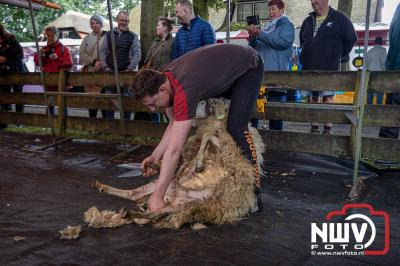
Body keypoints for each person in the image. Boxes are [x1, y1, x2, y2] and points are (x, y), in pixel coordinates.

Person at [130, 44, 264, 211]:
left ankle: (254, 194)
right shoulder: (164, 77)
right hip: (225, 66)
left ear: (162, 90)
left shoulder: (184, 90)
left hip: (249, 65)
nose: (152, 109)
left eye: (153, 103)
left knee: (236, 127)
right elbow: (173, 124)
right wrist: (155, 155)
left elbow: (174, 150)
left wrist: (158, 196)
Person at [299, 0, 357, 134]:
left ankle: (327, 129)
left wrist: (338, 55)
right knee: (312, 97)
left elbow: (351, 38)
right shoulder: (308, 20)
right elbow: (303, 41)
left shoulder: (340, 18)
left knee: (328, 97)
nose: (313, 2)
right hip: (309, 66)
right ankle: (314, 128)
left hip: (329, 67)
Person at [248, 0, 294, 130]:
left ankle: (276, 139)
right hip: (261, 73)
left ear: (282, 10)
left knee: (275, 112)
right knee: (255, 109)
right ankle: (252, 138)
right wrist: (252, 37)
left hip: (276, 74)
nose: (270, 12)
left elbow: (282, 43)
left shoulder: (288, 26)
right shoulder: (266, 26)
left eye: (273, 9)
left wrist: (260, 34)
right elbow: (255, 46)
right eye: (269, 10)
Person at [99, 10, 141, 120]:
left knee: (126, 100)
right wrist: (105, 66)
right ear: (117, 20)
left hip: (125, 73)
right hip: (110, 72)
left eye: (126, 21)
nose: (124, 23)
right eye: (122, 20)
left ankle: (126, 127)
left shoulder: (133, 36)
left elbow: (137, 53)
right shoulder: (109, 35)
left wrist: (130, 68)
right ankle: (110, 126)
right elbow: (102, 51)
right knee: (110, 100)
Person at [141, 17, 175, 122]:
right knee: (152, 103)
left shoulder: (174, 42)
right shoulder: (155, 42)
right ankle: (157, 126)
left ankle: (169, 125)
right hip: (153, 79)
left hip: (166, 79)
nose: (157, 27)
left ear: (165, 28)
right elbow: (148, 58)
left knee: (167, 105)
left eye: (159, 25)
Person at [34, 26, 72, 115]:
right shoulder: (44, 49)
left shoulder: (64, 49)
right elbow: (37, 63)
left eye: (51, 36)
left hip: (61, 82)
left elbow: (69, 63)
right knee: (49, 105)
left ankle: (63, 126)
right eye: (47, 36)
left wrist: (57, 58)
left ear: (56, 35)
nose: (49, 38)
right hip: (48, 82)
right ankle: (50, 126)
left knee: (62, 105)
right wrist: (40, 55)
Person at [79, 14, 107, 118]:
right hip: (91, 72)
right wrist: (93, 61)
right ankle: (92, 124)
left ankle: (106, 125)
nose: (94, 25)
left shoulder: (108, 36)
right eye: (92, 24)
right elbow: (82, 54)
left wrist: (102, 64)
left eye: (97, 23)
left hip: (105, 72)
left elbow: (112, 52)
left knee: (105, 99)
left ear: (101, 24)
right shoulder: (87, 38)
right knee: (92, 99)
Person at [379, 4, 400, 139]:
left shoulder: (397, 11)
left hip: (393, 68)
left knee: (391, 112)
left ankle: (384, 151)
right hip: (395, 66)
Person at [0, 24, 25, 129]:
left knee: (17, 95)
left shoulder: (12, 40)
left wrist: (6, 60)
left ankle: (19, 120)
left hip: (16, 71)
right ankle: (4, 121)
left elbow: (19, 57)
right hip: (2, 72)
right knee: (3, 95)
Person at [366, 36, 386, 105]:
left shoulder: (369, 51)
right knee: (379, 94)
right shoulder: (383, 50)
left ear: (374, 42)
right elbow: (383, 63)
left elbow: (365, 65)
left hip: (370, 75)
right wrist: (386, 73)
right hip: (379, 75)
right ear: (381, 42)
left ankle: (368, 109)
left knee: (369, 94)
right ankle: (379, 110)